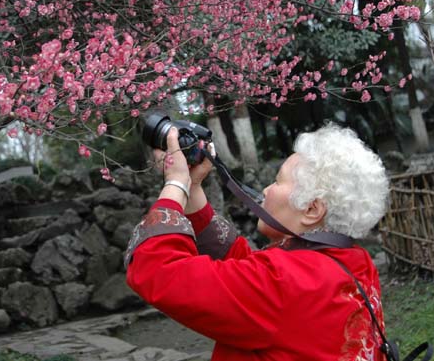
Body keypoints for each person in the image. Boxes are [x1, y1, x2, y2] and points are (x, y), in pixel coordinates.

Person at [125, 123, 390, 361]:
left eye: (278, 181)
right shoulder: (355, 263)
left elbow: (157, 269)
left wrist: (176, 184)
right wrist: (193, 187)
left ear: (312, 210)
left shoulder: (282, 284)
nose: (265, 190)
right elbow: (249, 271)